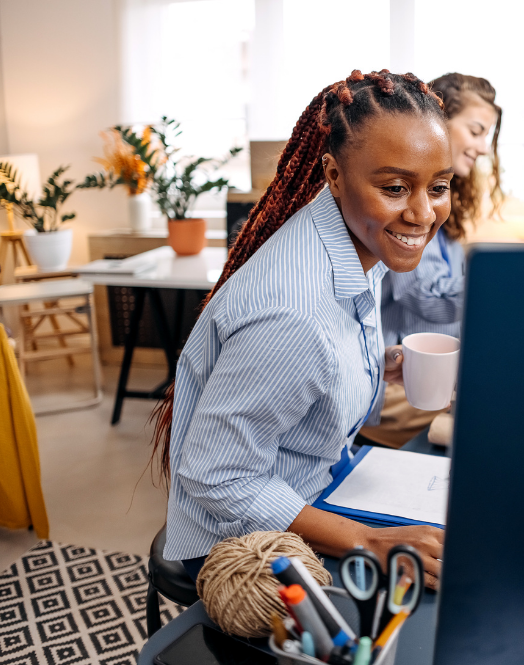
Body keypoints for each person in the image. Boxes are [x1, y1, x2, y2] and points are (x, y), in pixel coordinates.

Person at [151, 70, 453, 589]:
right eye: (395, 187)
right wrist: (368, 541)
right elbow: (215, 475)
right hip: (238, 538)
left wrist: (370, 364)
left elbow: (306, 362)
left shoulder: (353, 238)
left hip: (315, 483)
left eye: (440, 186)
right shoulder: (293, 312)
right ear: (333, 175)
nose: (423, 212)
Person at [361, 73, 502, 448]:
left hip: (428, 376)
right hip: (398, 384)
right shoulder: (408, 218)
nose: (484, 148)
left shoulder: (445, 217)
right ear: (438, 124)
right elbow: (427, 296)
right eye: (476, 131)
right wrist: (500, 284)